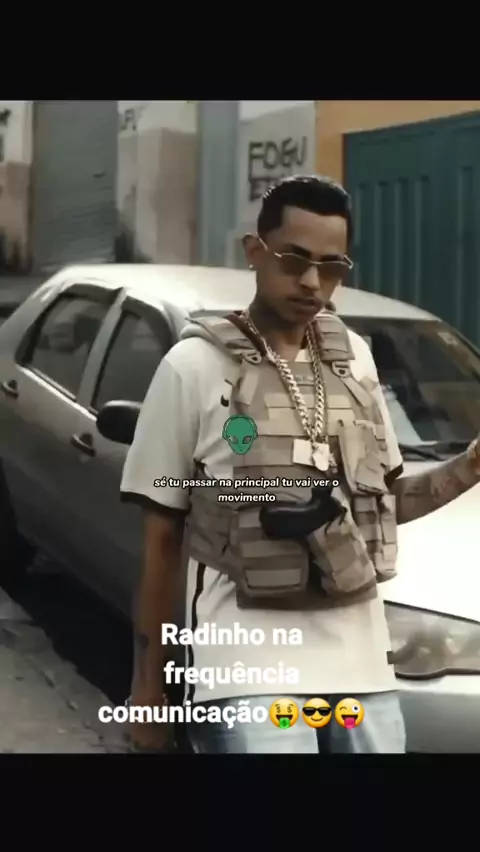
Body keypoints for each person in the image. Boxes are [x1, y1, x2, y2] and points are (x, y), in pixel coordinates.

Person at [120, 174, 480, 754]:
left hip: (359, 665)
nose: (313, 282)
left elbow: (385, 505)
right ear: (254, 251)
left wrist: (469, 466)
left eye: (332, 266)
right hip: (246, 667)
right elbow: (162, 540)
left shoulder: (355, 359)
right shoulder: (192, 366)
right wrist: (149, 688)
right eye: (294, 260)